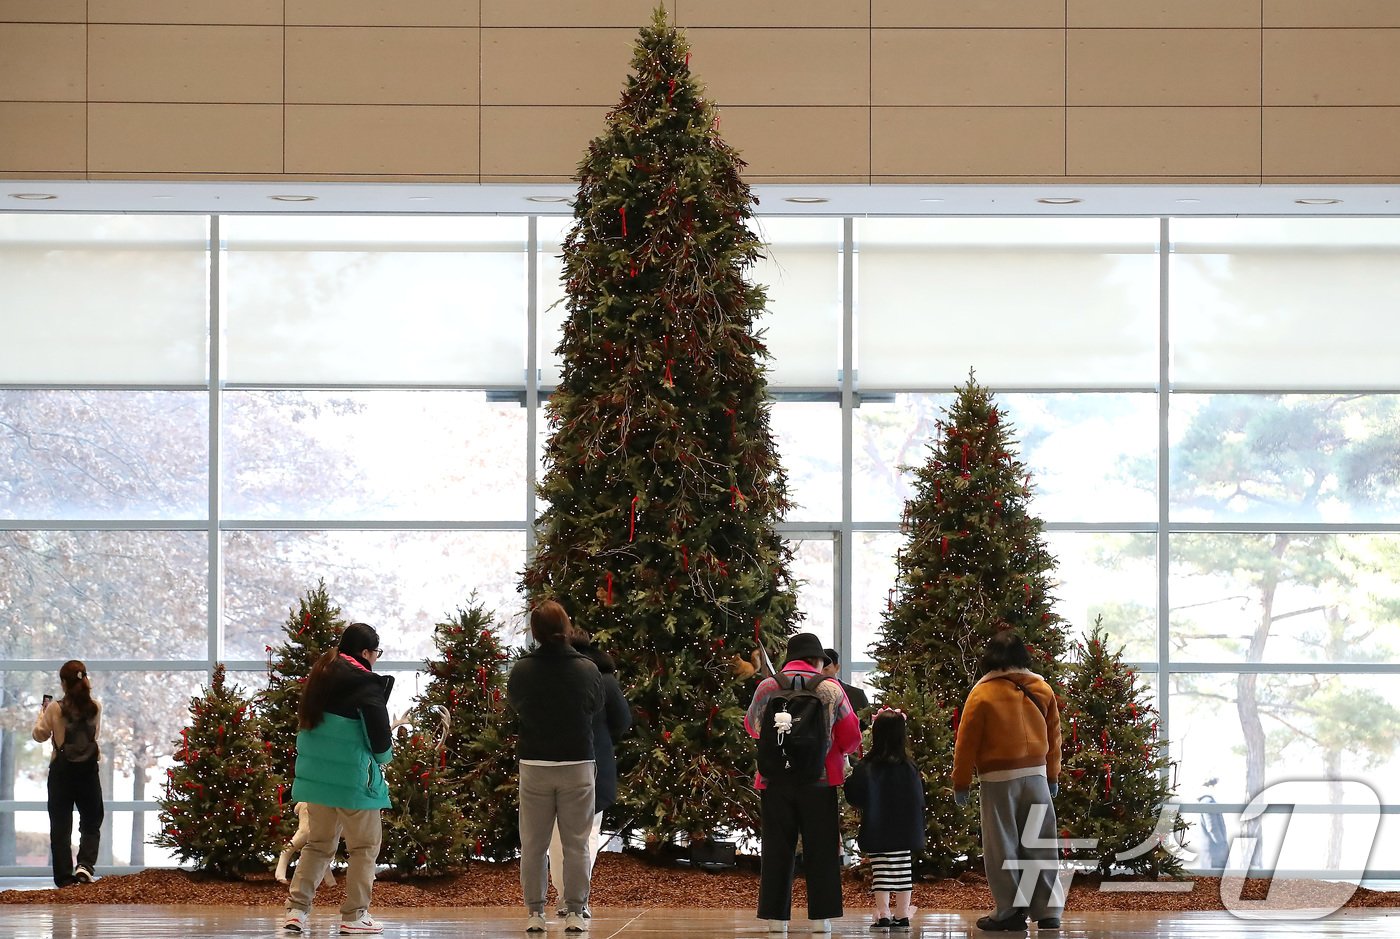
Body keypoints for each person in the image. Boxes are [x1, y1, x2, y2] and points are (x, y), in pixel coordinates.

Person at [745, 632, 861, 934]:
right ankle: (821, 921)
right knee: (822, 849)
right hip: (820, 780)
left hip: (774, 780)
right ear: (819, 660)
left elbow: (752, 726)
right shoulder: (831, 689)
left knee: (776, 848)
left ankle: (776, 919)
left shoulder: (768, 687)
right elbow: (851, 737)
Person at [283, 623, 394, 935]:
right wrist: (385, 759)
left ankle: (297, 911)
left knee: (317, 845)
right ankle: (355, 916)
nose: (376, 659)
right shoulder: (365, 684)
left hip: (317, 782)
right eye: (376, 653)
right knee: (364, 847)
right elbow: (380, 740)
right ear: (365, 653)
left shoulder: (320, 676)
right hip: (355, 783)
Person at [951, 631, 1063, 932]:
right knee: (1040, 843)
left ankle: (1010, 911)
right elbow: (1054, 738)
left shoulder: (981, 693)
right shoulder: (1042, 689)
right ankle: (1048, 910)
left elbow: (966, 743)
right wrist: (1052, 774)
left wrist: (960, 782)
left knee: (1002, 846)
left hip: (998, 779)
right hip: (1037, 777)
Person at [508, 600, 604, 934]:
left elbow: (516, 706)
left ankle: (535, 913)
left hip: (535, 763)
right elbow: (595, 707)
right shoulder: (587, 669)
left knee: (533, 843)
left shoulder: (522, 669)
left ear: (534, 632)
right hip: (577, 761)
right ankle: (575, 912)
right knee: (576, 842)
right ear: (566, 627)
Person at [549, 625, 632, 919]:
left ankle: (563, 896)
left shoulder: (551, 676)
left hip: (552, 763)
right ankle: (578, 899)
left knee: (557, 837)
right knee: (587, 835)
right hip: (596, 764)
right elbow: (623, 720)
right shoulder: (604, 678)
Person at [844, 708, 925, 930]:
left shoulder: (867, 766)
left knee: (881, 870)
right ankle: (902, 914)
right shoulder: (908, 766)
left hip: (877, 826)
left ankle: (883, 914)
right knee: (902, 870)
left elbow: (855, 795)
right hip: (905, 828)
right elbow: (918, 799)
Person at [32, 660, 103, 888]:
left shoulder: (55, 708)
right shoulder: (96, 707)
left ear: (63, 683)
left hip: (62, 773)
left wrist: (42, 714)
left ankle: (64, 878)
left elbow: (39, 735)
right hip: (89, 772)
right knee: (91, 821)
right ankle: (85, 865)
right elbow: (95, 736)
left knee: (61, 826)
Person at [275, 801, 338, 888]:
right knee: (304, 834)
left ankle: (330, 881)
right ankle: (280, 872)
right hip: (316, 802)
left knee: (323, 844)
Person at [821, 648, 870, 729]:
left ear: (837, 668)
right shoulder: (812, 693)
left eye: (826, 669)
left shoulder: (857, 695)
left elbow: (866, 726)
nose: (822, 673)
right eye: (818, 669)